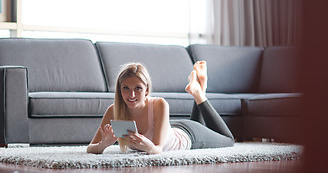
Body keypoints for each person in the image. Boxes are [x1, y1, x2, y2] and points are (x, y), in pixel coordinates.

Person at [87, 61, 234, 154]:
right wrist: (103, 144)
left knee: (228, 140)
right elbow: (90, 148)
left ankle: (200, 94)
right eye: (126, 88)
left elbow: (158, 149)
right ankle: (199, 88)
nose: (131, 94)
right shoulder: (114, 110)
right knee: (198, 122)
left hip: (190, 136)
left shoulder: (159, 104)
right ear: (119, 89)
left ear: (146, 90)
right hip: (172, 129)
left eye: (137, 88)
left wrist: (149, 146)